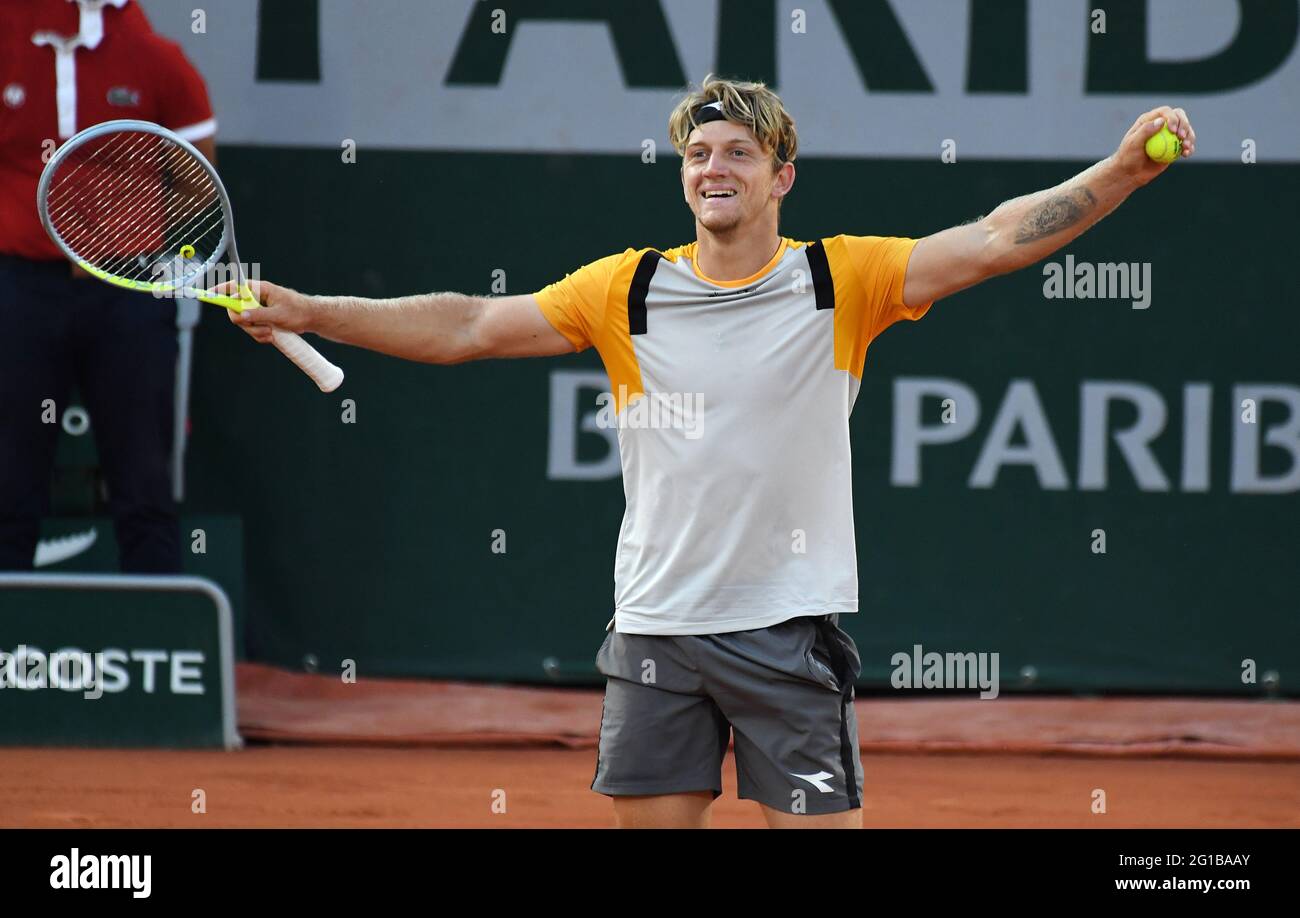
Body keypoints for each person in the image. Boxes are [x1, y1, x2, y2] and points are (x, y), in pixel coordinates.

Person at [226, 76, 1196, 828]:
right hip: (656, 630)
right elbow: (471, 323)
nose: (712, 167)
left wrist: (1118, 172)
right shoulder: (626, 290)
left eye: (738, 151)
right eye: (697, 153)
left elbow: (991, 241)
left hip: (783, 630)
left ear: (782, 175)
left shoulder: (839, 280)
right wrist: (313, 312)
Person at [0, 0, 217, 572]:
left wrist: (121, 228)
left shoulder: (153, 57)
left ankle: (157, 643)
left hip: (127, 290)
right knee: (7, 481)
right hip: (19, 289)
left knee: (145, 483)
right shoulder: (9, 36)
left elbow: (199, 181)